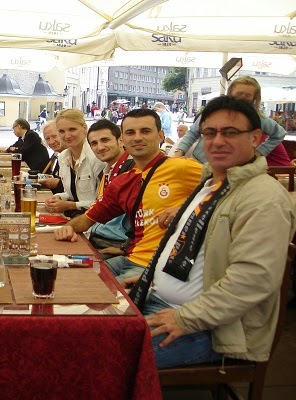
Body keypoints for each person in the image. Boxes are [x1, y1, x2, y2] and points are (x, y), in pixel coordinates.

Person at [124, 96, 296, 369]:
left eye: (230, 132)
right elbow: (200, 253)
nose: (217, 141)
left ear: (255, 138)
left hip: (211, 330)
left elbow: (254, 279)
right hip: (157, 299)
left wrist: (185, 319)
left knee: (101, 356)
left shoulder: (263, 198)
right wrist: (152, 277)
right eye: (210, 133)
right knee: (81, 328)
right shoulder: (211, 183)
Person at [54, 108, 202, 282]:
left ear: (160, 136)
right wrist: (68, 228)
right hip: (129, 258)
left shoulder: (181, 167)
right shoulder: (123, 181)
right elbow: (88, 218)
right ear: (123, 139)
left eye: (145, 131)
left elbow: (226, 187)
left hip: (156, 265)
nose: (137, 138)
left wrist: (185, 209)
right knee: (67, 278)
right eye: (131, 133)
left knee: (97, 291)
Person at [174, 76, 289, 166]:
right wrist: (179, 152)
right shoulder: (213, 112)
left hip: (235, 169)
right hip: (201, 164)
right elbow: (193, 133)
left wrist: (259, 152)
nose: (242, 98)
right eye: (239, 94)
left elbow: (279, 134)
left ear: (254, 98)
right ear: (230, 93)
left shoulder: (258, 118)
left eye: (247, 95)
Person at [86, 119, 135, 259]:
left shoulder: (132, 169)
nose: (100, 147)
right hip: (97, 237)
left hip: (115, 243)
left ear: (120, 140)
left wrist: (126, 247)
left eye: (105, 140)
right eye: (94, 143)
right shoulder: (106, 171)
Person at [44, 109, 106, 217]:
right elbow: (73, 193)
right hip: (73, 216)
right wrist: (58, 197)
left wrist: (70, 205)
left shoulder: (96, 156)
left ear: (85, 129)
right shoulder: (63, 157)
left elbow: (104, 202)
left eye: (72, 129)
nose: (67, 136)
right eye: (62, 131)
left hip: (93, 220)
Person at [38, 120, 65, 194]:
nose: (51, 142)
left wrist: (58, 183)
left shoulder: (74, 156)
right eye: (48, 139)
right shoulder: (61, 155)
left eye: (54, 136)